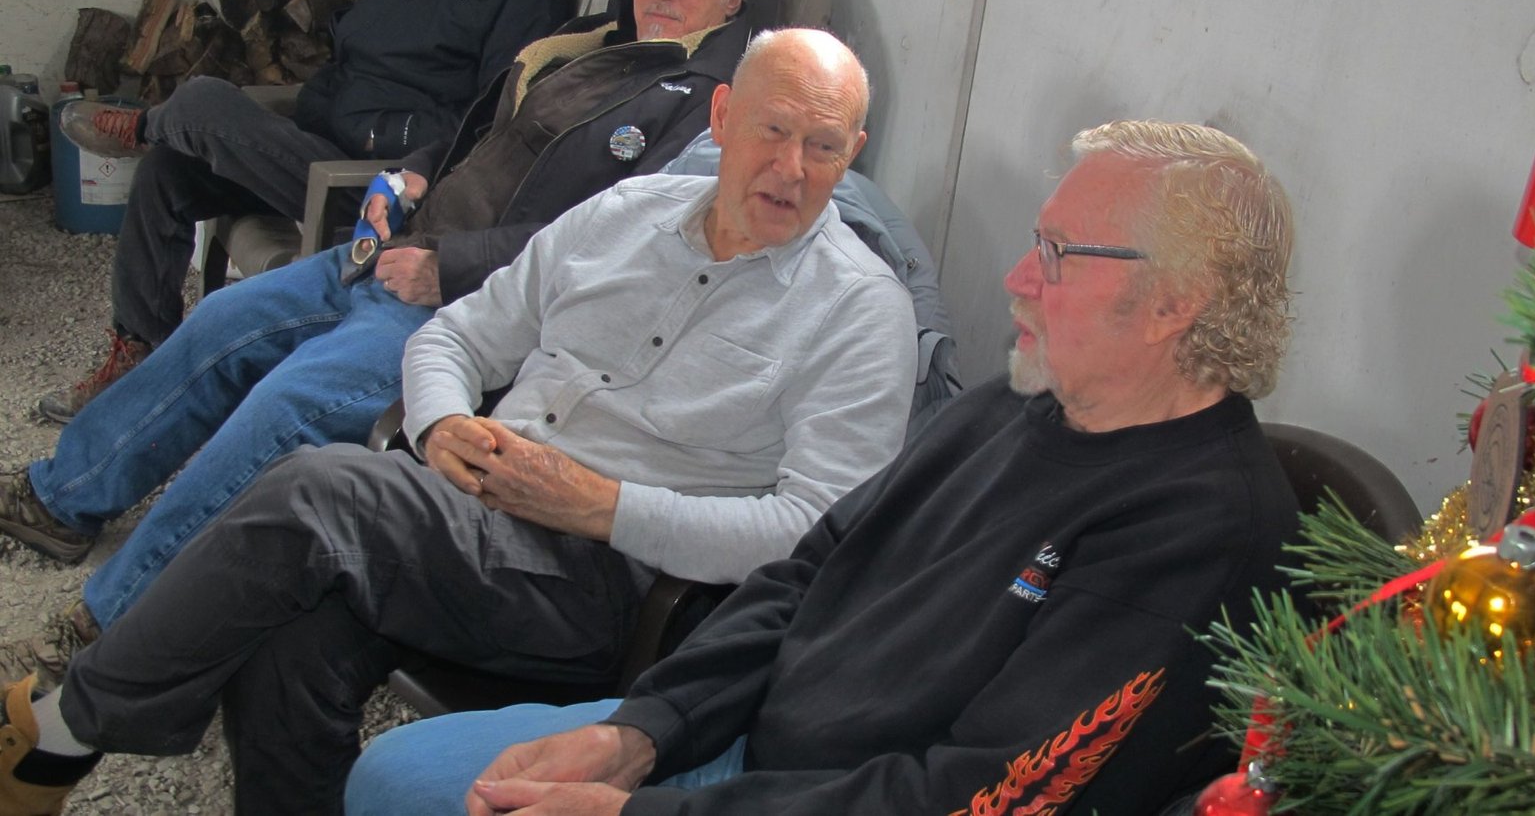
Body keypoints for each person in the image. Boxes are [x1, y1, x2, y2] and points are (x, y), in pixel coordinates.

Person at [0, 28, 919, 816]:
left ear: (854, 151)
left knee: (320, 486)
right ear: (722, 118)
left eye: (823, 146)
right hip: (476, 515)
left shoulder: (860, 312)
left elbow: (814, 534)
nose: (792, 169)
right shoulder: (624, 215)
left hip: (609, 582)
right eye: (772, 130)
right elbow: (455, 335)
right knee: (291, 633)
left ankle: (69, 726)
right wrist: (439, 425)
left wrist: (603, 505)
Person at [335, 119, 1308, 816]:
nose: (1017, 279)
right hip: (743, 742)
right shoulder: (1013, 405)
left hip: (824, 795)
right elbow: (807, 572)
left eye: (1056, 255)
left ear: (1174, 302)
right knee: (394, 773)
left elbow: (976, 792)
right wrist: (643, 729)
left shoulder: (1201, 528)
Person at [0, 0, 755, 661]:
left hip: (469, 306)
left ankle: (105, 631)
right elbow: (482, 131)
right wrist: (412, 173)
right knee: (222, 324)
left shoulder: (710, 107)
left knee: (287, 403)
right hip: (400, 249)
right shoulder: (593, 37)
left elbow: (614, 246)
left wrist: (449, 267)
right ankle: (61, 496)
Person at [39, 0, 572, 423]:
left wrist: (395, 151)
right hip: (320, 140)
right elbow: (354, 49)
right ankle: (141, 360)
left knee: (203, 99)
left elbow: (488, 121)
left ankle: (142, 126)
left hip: (371, 182)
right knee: (169, 172)